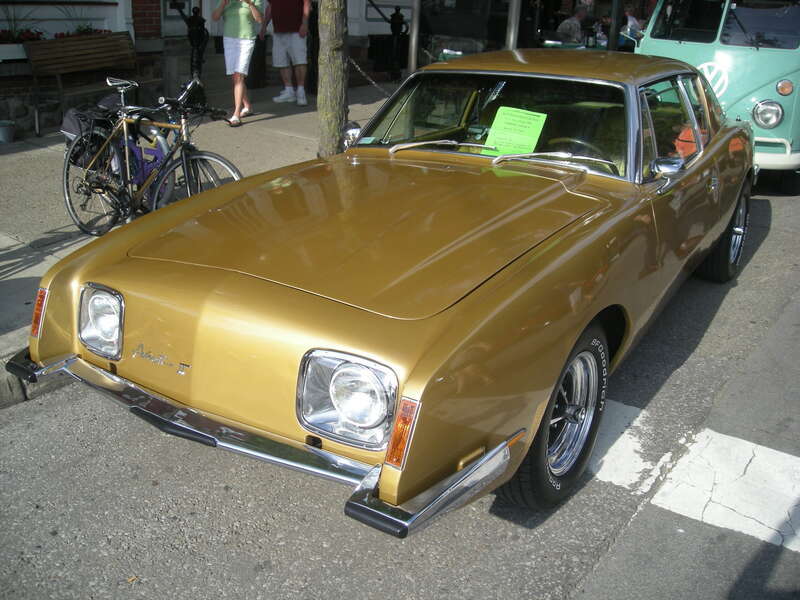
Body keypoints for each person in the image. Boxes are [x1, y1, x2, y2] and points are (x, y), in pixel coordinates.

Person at [212, 0, 264, 127]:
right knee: (234, 77)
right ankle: (248, 106)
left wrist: (250, 3)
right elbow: (215, 17)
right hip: (229, 39)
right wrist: (224, 3)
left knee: (239, 75)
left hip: (246, 39)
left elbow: (259, 19)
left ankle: (236, 114)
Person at [260, 0, 311, 107]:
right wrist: (264, 25)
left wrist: (305, 23)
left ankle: (301, 91)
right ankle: (289, 91)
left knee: (300, 61)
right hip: (278, 29)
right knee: (281, 61)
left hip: (297, 29)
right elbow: (271, 6)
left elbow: (307, 3)